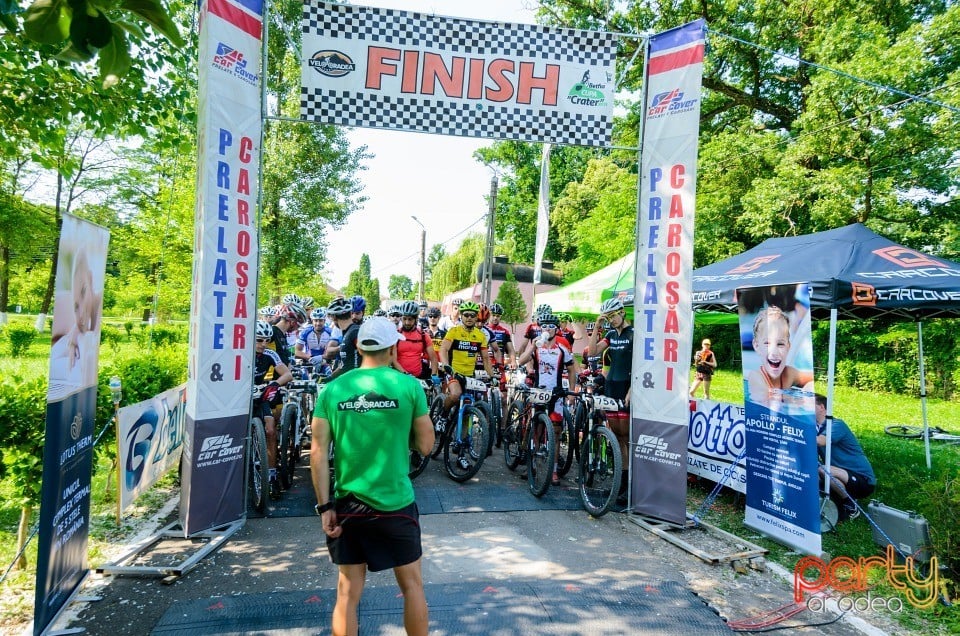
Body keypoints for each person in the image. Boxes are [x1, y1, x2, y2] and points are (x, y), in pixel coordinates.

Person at [310, 317, 434, 636]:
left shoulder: (334, 389)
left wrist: (325, 508)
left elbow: (318, 453)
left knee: (347, 595)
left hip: (350, 505)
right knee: (412, 587)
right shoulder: (408, 386)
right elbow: (426, 445)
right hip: (396, 503)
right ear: (393, 347)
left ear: (357, 346)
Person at [516, 313, 579, 485]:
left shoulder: (562, 347)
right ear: (540, 328)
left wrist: (571, 392)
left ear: (557, 329)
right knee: (535, 428)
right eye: (544, 326)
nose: (547, 329)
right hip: (538, 391)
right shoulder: (537, 345)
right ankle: (533, 464)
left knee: (556, 432)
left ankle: (554, 469)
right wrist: (532, 347)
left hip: (556, 394)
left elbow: (572, 369)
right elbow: (521, 361)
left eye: (551, 326)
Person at [585, 297, 633, 502]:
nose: (611, 320)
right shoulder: (611, 334)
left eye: (613, 315)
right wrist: (597, 326)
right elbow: (592, 352)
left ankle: (631, 484)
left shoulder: (634, 334)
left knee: (628, 437)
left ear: (622, 312)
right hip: (611, 387)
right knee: (618, 438)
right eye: (608, 317)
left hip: (626, 387)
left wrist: (632, 389)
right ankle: (621, 483)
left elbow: (641, 364)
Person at [815, 394, 876, 521]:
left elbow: (821, 441)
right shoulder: (815, 428)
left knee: (823, 470)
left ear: (821, 407)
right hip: (839, 474)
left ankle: (851, 505)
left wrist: (797, 432)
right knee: (815, 470)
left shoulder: (837, 425)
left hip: (863, 479)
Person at [254, 320, 293, 498]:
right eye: (259, 340)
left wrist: (275, 384)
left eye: (266, 340)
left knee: (270, 431)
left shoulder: (269, 353)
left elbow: (287, 374)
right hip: (239, 399)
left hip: (259, 397)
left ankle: (271, 477)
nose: (263, 344)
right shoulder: (239, 353)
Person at [746, 306, 814, 406]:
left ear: (788, 346)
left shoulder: (789, 374)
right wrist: (792, 400)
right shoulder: (756, 377)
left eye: (780, 344)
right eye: (767, 343)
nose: (774, 352)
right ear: (756, 346)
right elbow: (769, 405)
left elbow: (813, 378)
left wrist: (808, 388)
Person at [393, 300, 438, 380]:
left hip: (419, 378)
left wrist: (434, 375)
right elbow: (393, 360)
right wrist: (406, 374)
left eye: (410, 319)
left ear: (416, 319)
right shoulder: (395, 335)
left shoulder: (423, 336)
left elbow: (433, 358)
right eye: (404, 319)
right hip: (400, 377)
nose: (406, 322)